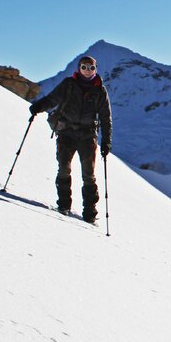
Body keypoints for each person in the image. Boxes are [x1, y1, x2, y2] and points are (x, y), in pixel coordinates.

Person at [29, 55, 112, 223]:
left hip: (87, 135)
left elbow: (106, 118)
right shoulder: (69, 84)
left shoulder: (100, 90)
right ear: (78, 68)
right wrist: (38, 106)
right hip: (66, 131)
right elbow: (53, 99)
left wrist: (106, 141)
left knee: (89, 174)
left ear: (96, 70)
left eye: (91, 68)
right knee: (64, 167)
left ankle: (90, 213)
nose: (88, 71)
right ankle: (64, 205)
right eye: (84, 67)